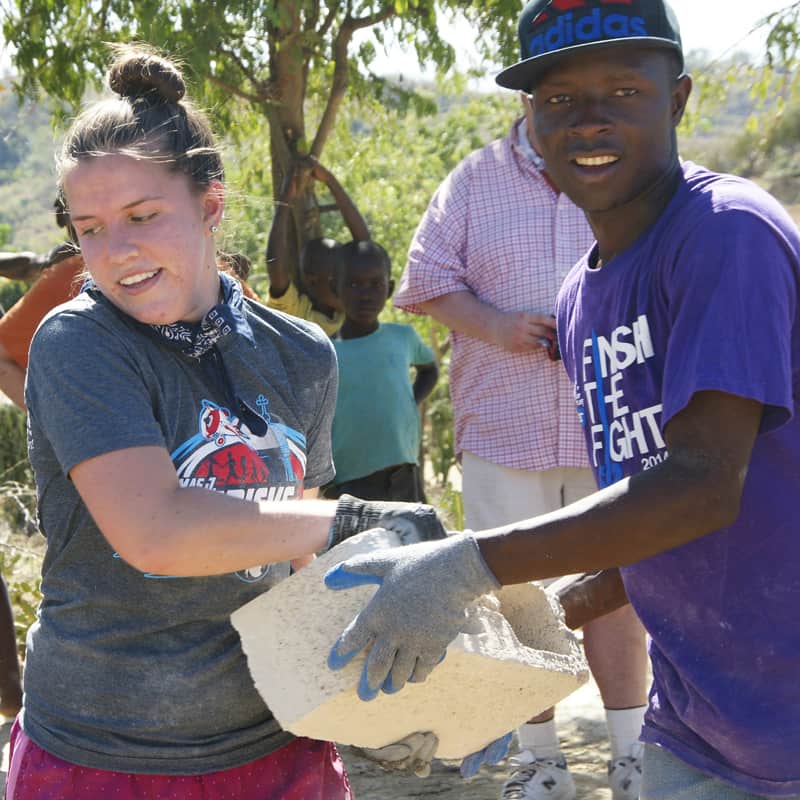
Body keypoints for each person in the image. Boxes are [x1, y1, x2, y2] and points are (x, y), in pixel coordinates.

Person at [325, 2, 800, 799]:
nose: (588, 122)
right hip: (697, 725)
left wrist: (467, 564)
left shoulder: (726, 234)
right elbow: (653, 493)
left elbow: (707, 483)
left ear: (677, 100)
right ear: (530, 121)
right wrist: (549, 613)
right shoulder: (583, 296)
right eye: (559, 101)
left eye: (622, 93)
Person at [6, 44, 462, 800]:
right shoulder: (80, 342)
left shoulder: (300, 354)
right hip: (102, 755)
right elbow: (154, 530)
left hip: (276, 746)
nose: (114, 252)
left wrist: (409, 694)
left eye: (142, 216)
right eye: (88, 228)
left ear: (210, 204)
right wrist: (350, 521)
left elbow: (302, 573)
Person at [393, 82, 647, 800]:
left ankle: (631, 759)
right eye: (555, 93)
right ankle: (541, 763)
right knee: (513, 599)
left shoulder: (632, 167)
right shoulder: (473, 180)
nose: (574, 107)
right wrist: (499, 326)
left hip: (614, 428)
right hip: (505, 429)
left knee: (622, 596)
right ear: (531, 101)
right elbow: (426, 284)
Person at [324, 240, 438, 503]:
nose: (365, 294)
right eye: (353, 284)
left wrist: (411, 400)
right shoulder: (326, 352)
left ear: (389, 289)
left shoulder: (403, 338)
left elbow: (429, 369)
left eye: (375, 284)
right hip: (349, 483)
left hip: (404, 475)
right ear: (334, 288)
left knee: (414, 543)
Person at [266, 158, 370, 336]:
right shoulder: (295, 313)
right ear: (313, 280)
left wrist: (331, 181)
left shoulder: (344, 312)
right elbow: (276, 267)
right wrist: (285, 201)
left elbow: (366, 250)